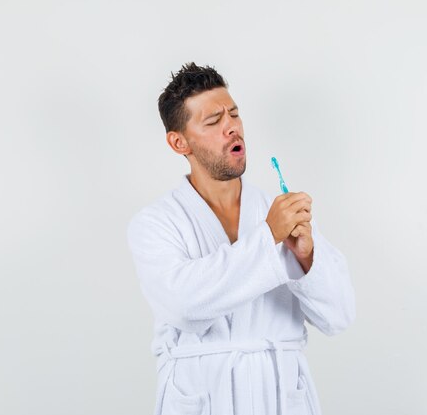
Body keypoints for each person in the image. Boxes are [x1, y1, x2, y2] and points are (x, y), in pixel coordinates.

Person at [126, 62, 356, 415]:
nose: (231, 127)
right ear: (179, 142)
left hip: (281, 398)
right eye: (213, 121)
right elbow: (184, 306)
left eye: (234, 114)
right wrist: (268, 238)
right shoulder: (155, 223)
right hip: (202, 397)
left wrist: (307, 259)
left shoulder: (276, 210)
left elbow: (339, 316)